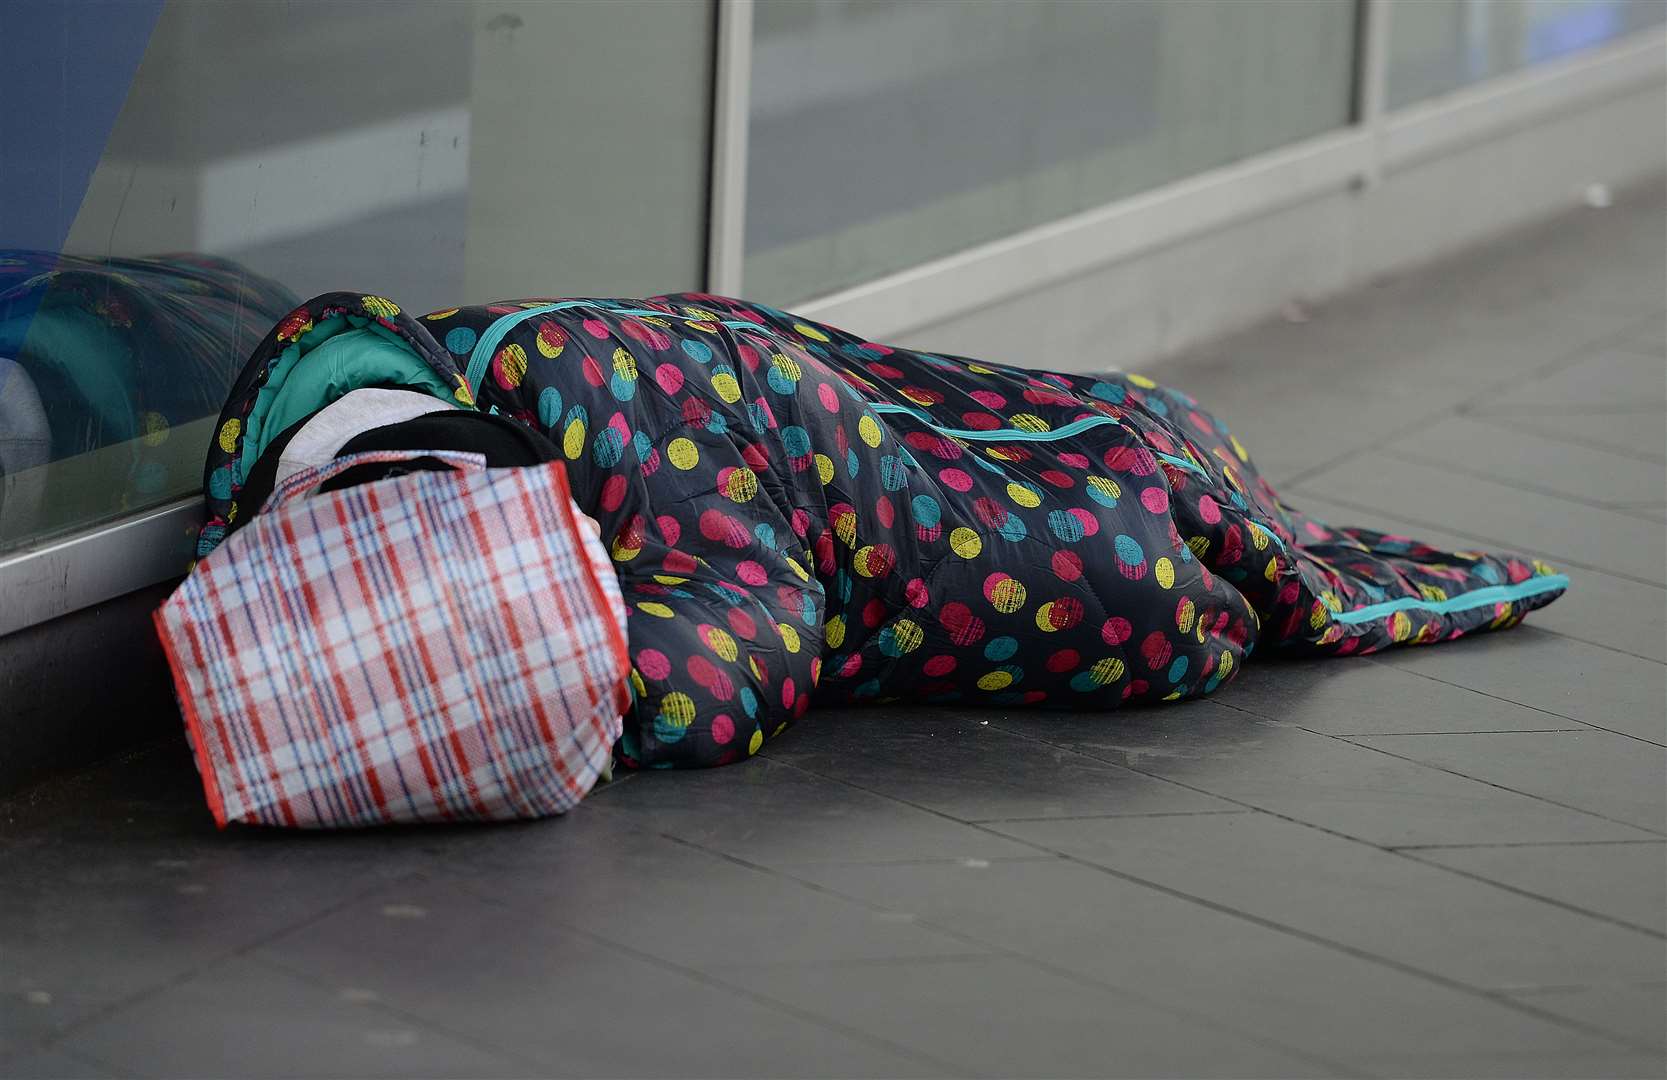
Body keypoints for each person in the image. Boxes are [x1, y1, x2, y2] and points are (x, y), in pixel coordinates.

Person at [198, 291, 1568, 770]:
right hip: (918, 436)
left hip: (1006, 513)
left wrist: (580, 690)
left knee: (1146, 604)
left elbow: (749, 631)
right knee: (1113, 487)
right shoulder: (512, 361)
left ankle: (1245, 545)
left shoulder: (597, 420)